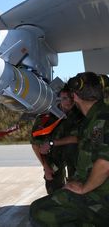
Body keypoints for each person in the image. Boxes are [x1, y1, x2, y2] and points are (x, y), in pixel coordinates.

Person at [30, 72, 109, 226]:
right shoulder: (93, 117)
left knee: (40, 212)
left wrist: (84, 188)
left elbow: (105, 164)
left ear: (75, 97)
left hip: (100, 193)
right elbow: (79, 139)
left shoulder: (101, 119)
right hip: (92, 184)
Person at [30, 85, 83, 194]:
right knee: (53, 189)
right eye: (64, 98)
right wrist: (46, 167)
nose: (68, 101)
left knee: (77, 188)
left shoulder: (80, 115)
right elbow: (35, 144)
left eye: (71, 97)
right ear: (58, 99)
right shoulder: (46, 118)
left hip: (74, 157)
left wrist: (52, 142)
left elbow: (78, 138)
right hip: (54, 158)